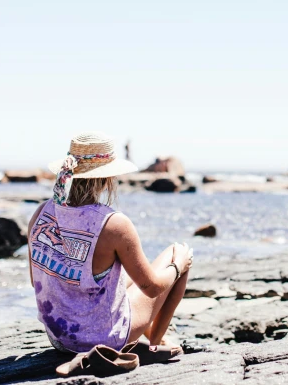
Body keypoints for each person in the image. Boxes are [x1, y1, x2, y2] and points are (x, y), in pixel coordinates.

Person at [28, 133, 193, 358]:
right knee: (177, 252)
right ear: (107, 178)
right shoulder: (113, 223)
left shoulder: (42, 213)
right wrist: (179, 266)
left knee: (118, 276)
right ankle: (155, 345)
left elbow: (35, 281)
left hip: (59, 338)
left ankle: (156, 339)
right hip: (104, 338)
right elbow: (153, 288)